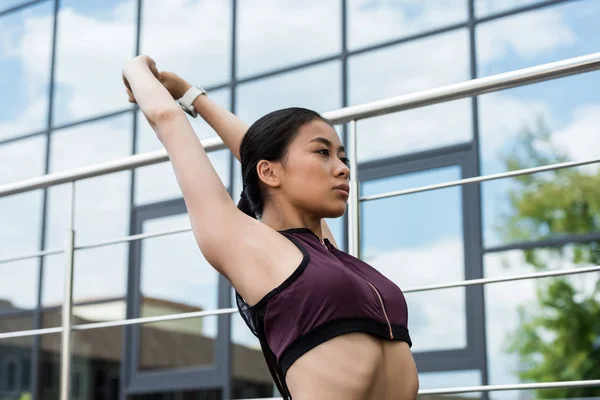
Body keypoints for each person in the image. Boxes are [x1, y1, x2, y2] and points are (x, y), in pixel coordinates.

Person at [122, 54, 419, 400]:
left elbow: (259, 149)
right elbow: (167, 118)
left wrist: (191, 94)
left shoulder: (326, 249)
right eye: (323, 153)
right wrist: (137, 68)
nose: (342, 169)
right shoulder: (252, 250)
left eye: (342, 158)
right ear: (269, 173)